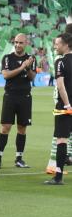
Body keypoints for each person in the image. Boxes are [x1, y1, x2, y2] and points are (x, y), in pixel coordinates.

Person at [0, 34, 36, 169]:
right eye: (16, 42)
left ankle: (19, 159)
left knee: (22, 128)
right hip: (10, 96)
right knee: (5, 127)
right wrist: (22, 67)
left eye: (21, 43)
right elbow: (6, 75)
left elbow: (32, 77)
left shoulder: (31, 59)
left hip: (25, 97)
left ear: (26, 43)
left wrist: (27, 67)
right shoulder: (7, 58)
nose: (18, 45)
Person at [45, 33, 72, 185]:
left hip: (65, 107)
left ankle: (58, 177)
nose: (55, 46)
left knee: (61, 140)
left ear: (66, 44)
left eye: (57, 44)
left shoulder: (60, 62)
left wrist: (67, 104)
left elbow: (60, 86)